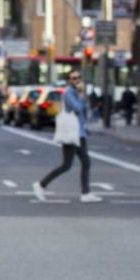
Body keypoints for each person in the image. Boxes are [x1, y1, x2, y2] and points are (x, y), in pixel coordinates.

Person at [32, 71, 103, 203]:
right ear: (69, 80)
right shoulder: (69, 93)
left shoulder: (77, 93)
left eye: (79, 78)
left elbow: (84, 111)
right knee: (68, 165)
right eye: (74, 78)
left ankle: (85, 193)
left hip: (79, 133)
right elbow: (77, 108)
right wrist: (82, 95)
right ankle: (41, 184)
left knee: (83, 163)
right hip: (72, 134)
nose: (77, 80)